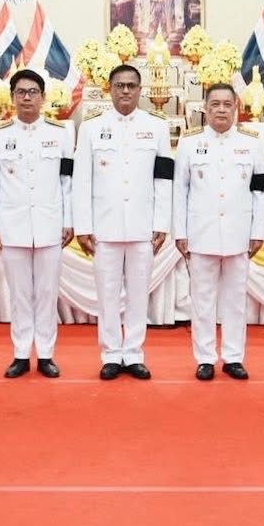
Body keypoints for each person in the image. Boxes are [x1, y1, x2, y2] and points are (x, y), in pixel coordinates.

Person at [73, 63, 173, 380]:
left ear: (140, 90)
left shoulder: (156, 126)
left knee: (138, 294)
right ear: (110, 89)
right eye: (120, 85)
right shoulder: (90, 128)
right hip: (105, 227)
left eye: (131, 85)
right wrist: (84, 227)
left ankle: (134, 353)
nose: (126, 91)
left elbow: (164, 179)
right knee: (107, 294)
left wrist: (161, 223)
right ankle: (111, 354)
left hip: (143, 227)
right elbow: (82, 181)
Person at [0, 69, 75, 378]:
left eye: (33, 92)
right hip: (12, 225)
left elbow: (67, 182)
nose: (27, 98)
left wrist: (69, 221)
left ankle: (46, 353)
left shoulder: (60, 133)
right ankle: (21, 353)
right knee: (20, 294)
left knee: (47, 293)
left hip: (50, 225)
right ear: (12, 98)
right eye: (21, 92)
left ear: (43, 97)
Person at [173, 83, 264, 381]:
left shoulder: (252, 143)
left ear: (236, 106)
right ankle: (204, 358)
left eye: (227, 104)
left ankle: (233, 356)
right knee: (202, 300)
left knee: (235, 299)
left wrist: (258, 231)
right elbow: (180, 190)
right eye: (215, 104)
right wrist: (180, 232)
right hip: (201, 234)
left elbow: (260, 192)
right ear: (205, 107)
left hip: (239, 234)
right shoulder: (190, 143)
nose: (222, 110)